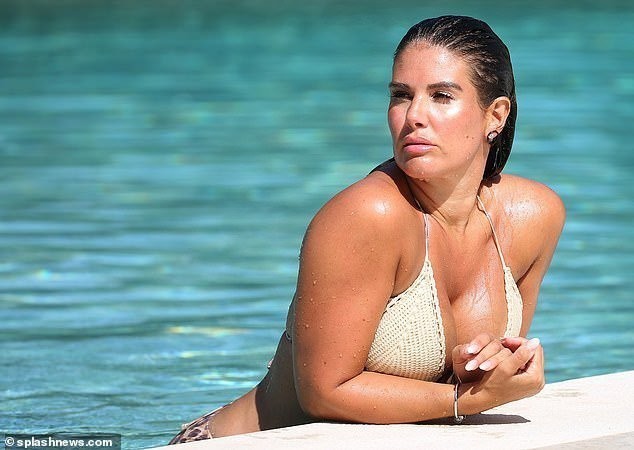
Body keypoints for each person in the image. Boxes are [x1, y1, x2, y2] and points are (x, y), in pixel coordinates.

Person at [168, 15, 565, 443]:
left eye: (441, 96)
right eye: (401, 95)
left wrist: (485, 369)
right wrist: (463, 399)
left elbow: (493, 369)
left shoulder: (532, 217)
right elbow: (324, 393)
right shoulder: (368, 214)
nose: (414, 116)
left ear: (496, 115)